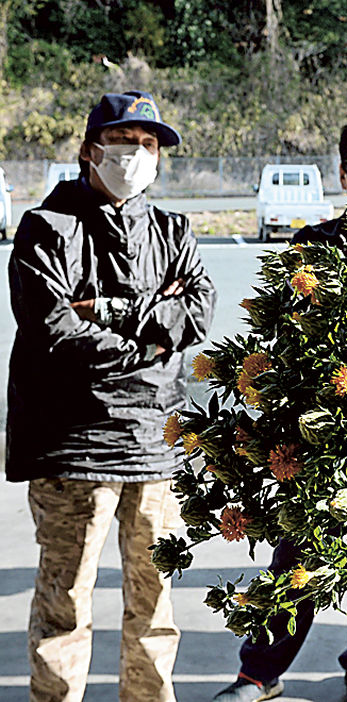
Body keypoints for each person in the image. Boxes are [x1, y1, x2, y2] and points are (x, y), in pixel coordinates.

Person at [6, 90, 216, 702]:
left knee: (154, 602)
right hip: (74, 448)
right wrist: (150, 342)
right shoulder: (47, 228)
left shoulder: (173, 230)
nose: (137, 155)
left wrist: (109, 311)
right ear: (89, 150)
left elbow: (198, 311)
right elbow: (54, 330)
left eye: (149, 144)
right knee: (64, 603)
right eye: (124, 142)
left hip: (156, 444)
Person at [212, 113, 347, 702]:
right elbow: (280, 338)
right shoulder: (312, 245)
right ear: (345, 172)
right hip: (319, 427)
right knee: (298, 550)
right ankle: (260, 672)